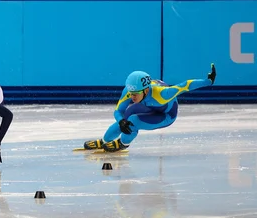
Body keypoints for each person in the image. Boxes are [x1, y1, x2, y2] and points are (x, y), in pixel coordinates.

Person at [83, 64, 217, 153]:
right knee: (125, 118)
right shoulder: (130, 90)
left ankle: (123, 143)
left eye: (135, 94)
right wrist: (121, 121)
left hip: (166, 114)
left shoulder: (163, 94)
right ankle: (104, 141)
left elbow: (185, 85)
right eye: (131, 94)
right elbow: (118, 111)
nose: (132, 97)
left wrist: (208, 81)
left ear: (146, 90)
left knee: (134, 121)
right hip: (149, 107)